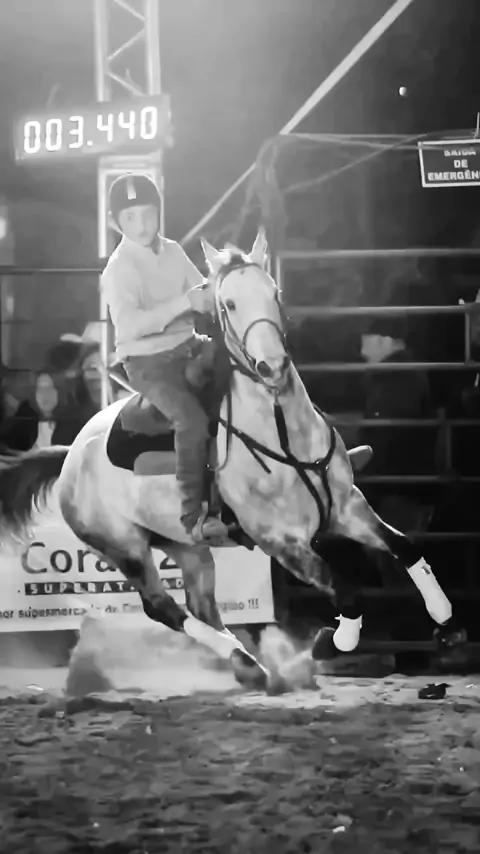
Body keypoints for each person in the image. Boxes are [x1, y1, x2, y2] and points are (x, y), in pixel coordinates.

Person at [101, 173, 227, 545]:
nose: (141, 224)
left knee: (253, 361)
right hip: (148, 364)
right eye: (130, 217)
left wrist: (224, 287)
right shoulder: (118, 268)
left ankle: (310, 458)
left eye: (147, 214)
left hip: (190, 346)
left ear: (158, 212)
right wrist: (185, 303)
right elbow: (130, 326)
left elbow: (201, 291)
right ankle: (193, 516)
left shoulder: (172, 250)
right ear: (114, 222)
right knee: (191, 420)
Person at [0, 369, 83, 451]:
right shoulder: (23, 421)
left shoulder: (74, 423)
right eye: (40, 389)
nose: (45, 394)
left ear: (59, 391)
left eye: (50, 388)